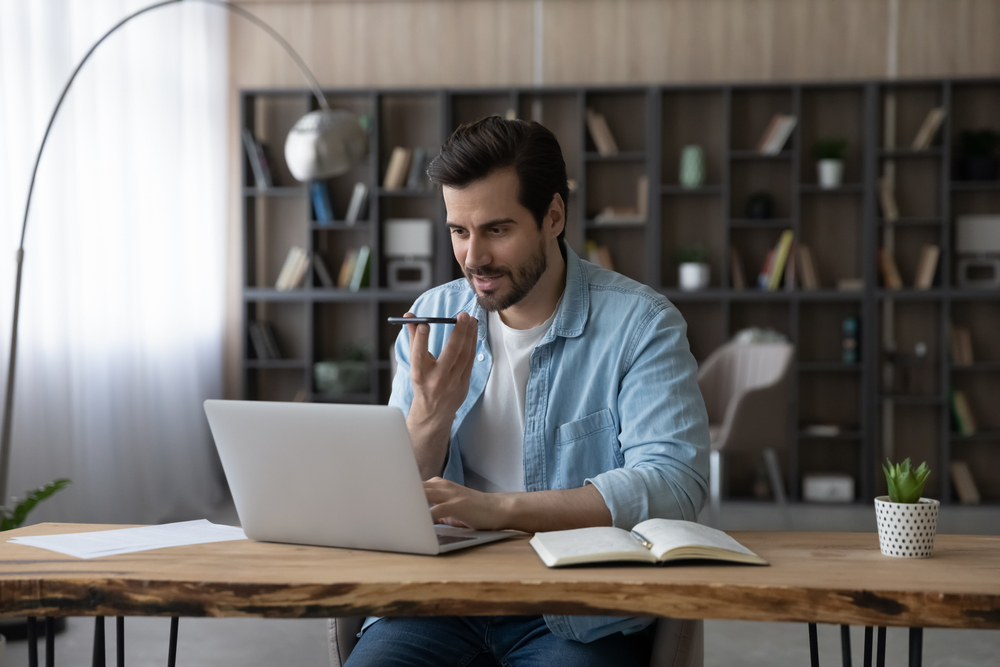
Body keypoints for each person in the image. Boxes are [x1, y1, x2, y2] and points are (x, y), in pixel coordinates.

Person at [345, 117, 709, 667]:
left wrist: (499, 510)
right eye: (458, 231)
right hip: (438, 601)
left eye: (497, 230)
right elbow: (391, 498)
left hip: (574, 612)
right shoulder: (431, 319)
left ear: (553, 217)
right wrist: (429, 419)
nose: (473, 258)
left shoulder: (642, 325)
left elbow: (674, 485)